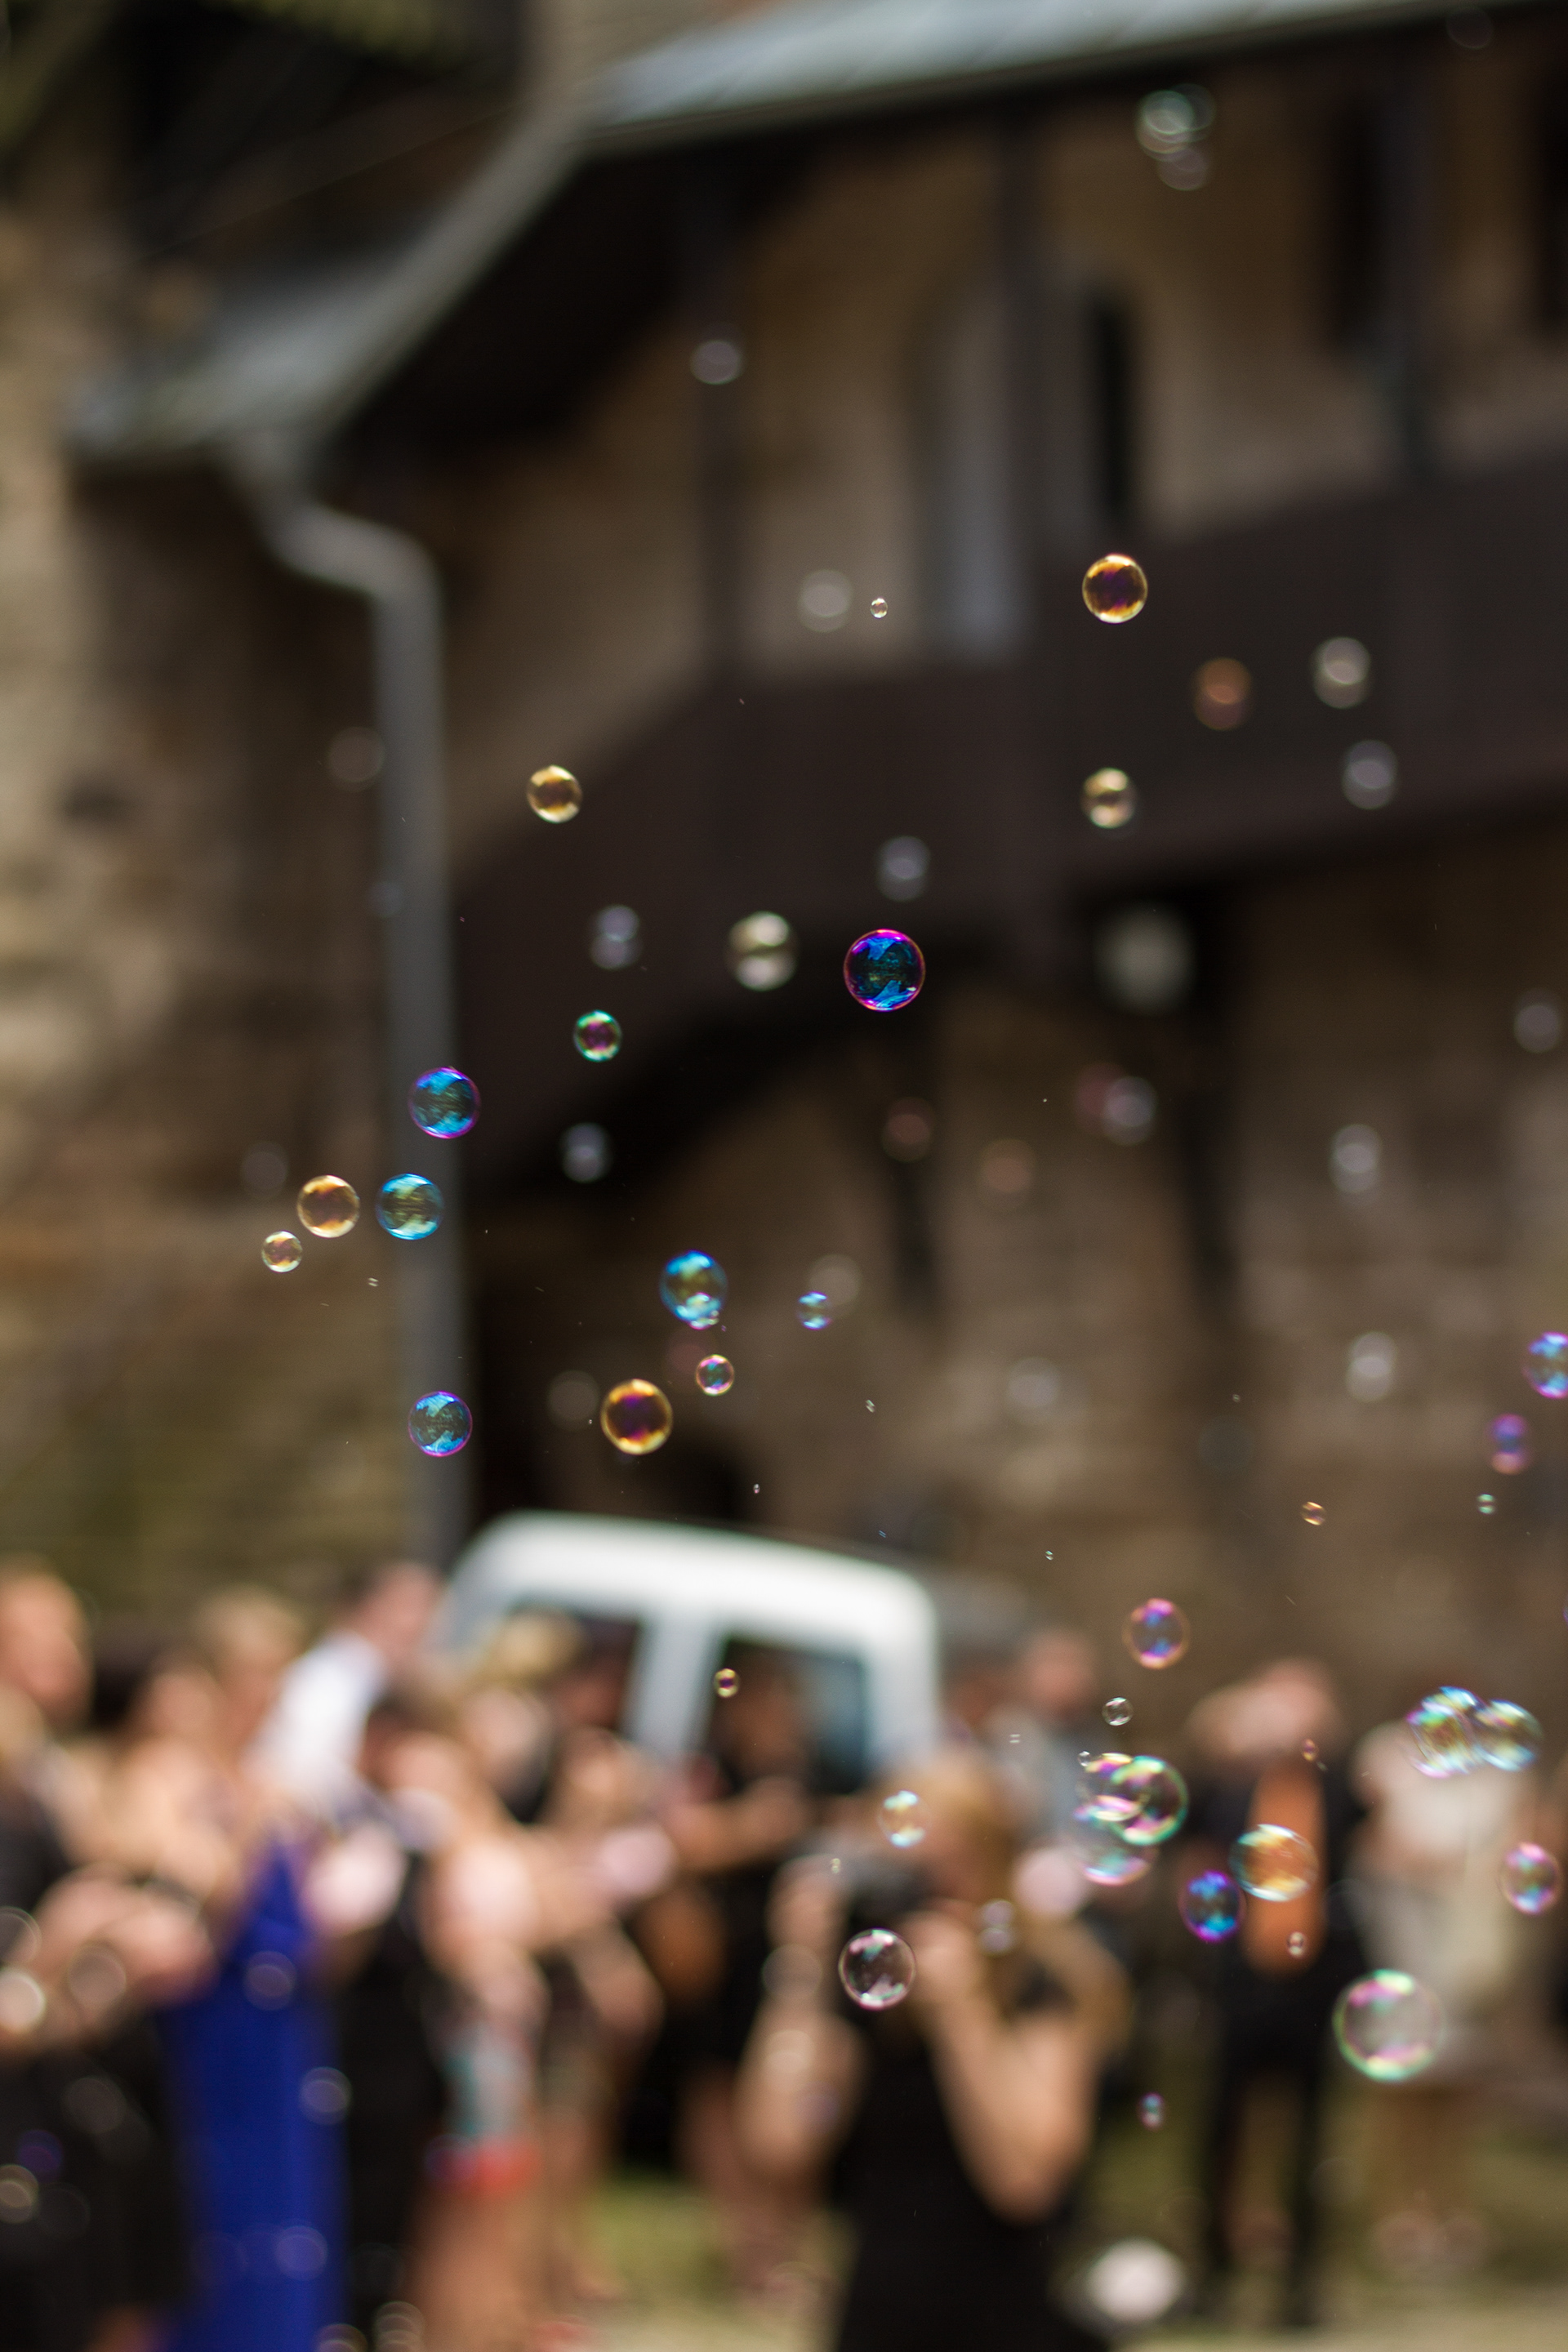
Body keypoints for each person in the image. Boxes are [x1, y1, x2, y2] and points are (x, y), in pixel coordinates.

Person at [737, 1748, 1124, 2352]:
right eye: (906, 1873)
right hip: (879, 2317)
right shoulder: (865, 1995)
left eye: (945, 1871)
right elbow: (777, 2144)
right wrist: (801, 1970)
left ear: (994, 1867)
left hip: (1008, 2320)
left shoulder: (1042, 1987)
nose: (924, 1897)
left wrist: (963, 2015)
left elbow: (1025, 2185)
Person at [107, 1587, 345, 2352]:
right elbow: (200, 1900)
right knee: (214, 2218)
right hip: (206, 2037)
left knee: (287, 2220)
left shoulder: (276, 1784)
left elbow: (309, 1931)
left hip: (280, 2035)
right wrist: (248, 1822)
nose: (270, 1697)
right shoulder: (167, 1775)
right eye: (257, 1675)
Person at [1183, 1659, 1366, 2327]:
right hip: (1243, 1981)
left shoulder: (1339, 1788)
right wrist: (1228, 1728)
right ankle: (1211, 2274)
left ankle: (1301, 2285)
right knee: (1222, 2129)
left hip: (1316, 1983)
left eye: (1304, 1704)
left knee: (1310, 2136)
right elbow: (1187, 1821)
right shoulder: (1233, 1785)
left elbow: (1374, 1814)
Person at [1348, 1693, 1535, 2275]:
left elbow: (1522, 1851)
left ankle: (1452, 2209)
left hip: (1464, 1961)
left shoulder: (1493, 1786)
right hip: (1405, 1956)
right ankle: (1398, 2212)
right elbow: (1374, 1846)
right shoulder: (1391, 1765)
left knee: (1460, 2089)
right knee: (1403, 2088)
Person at [257, 1563, 440, 1813]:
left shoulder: (385, 1681)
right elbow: (305, 1772)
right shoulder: (327, 1681)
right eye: (408, 1609)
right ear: (367, 1608)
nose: (420, 1624)